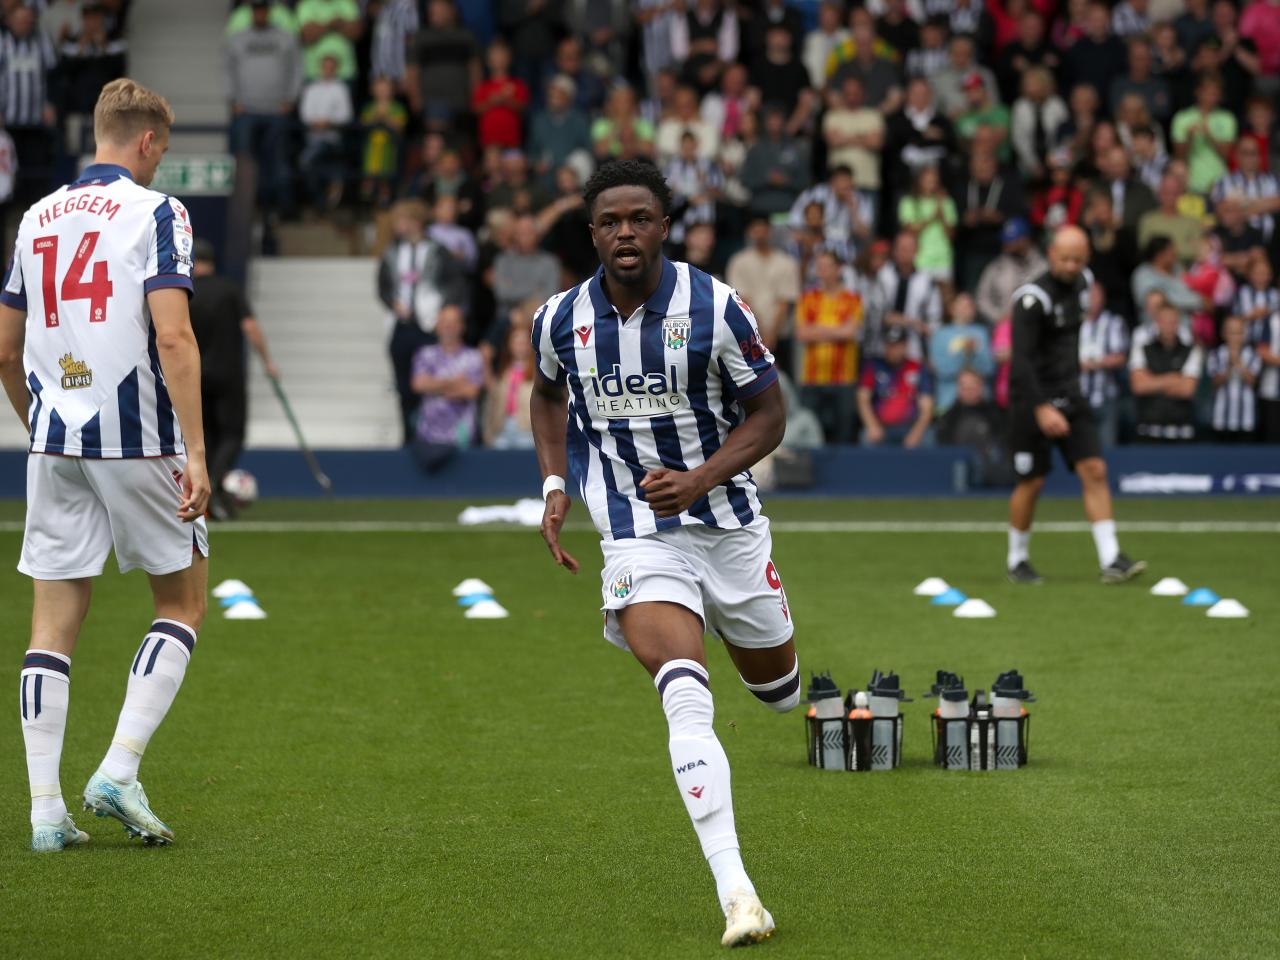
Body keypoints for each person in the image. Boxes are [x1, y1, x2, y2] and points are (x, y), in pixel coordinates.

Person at [530, 159, 792, 947]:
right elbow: (545, 393)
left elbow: (770, 414)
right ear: (592, 233)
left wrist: (702, 476)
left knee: (777, 691)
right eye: (610, 221)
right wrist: (554, 483)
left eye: (640, 218)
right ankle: (738, 891)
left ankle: (767, 669)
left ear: (664, 225)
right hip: (637, 535)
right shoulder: (558, 319)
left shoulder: (716, 305)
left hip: (732, 528)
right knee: (683, 691)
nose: (625, 233)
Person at [0, 79, 211, 851]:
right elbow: (175, 338)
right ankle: (118, 769)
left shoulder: (34, 216)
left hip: (54, 440)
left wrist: (41, 422)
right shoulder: (158, 211)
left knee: (51, 626)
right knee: (181, 604)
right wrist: (196, 450)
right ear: (149, 141)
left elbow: (4, 350)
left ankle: (44, 812)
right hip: (137, 437)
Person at [1006, 225, 1145, 585]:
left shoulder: (1084, 282)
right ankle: (1017, 559)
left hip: (1071, 393)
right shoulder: (1032, 299)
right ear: (1051, 254)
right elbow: (1019, 362)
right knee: (1032, 482)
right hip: (1031, 399)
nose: (1071, 265)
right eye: (1064, 258)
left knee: (1095, 469)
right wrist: (1041, 408)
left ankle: (1111, 558)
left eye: (1077, 259)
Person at [188, 240, 278, 520]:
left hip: (195, 375)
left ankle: (210, 496)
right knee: (232, 434)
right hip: (228, 373)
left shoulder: (185, 292)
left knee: (208, 436)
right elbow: (250, 327)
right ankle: (215, 483)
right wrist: (267, 362)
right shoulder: (229, 289)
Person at [376, 199, 467, 445]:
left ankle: (432, 433)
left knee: (431, 381)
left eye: (402, 221)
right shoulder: (392, 252)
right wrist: (392, 302)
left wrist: (444, 310)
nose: (398, 226)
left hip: (429, 326)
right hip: (402, 325)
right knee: (404, 385)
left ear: (415, 222)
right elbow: (383, 286)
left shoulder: (437, 251)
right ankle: (408, 435)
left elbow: (455, 283)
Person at [225, 0, 303, 217]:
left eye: (263, 9)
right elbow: (227, 69)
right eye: (256, 9)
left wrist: (291, 98)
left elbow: (297, 68)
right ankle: (243, 210)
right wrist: (233, 99)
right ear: (251, 12)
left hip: (277, 110)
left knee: (280, 162)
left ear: (268, 11)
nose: (259, 13)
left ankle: (282, 211)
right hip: (246, 110)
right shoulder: (238, 38)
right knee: (243, 163)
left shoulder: (285, 37)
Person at [795, 250, 862, 443]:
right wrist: (836, 330)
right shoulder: (807, 298)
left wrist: (816, 329)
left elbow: (849, 332)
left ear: (839, 269)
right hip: (812, 378)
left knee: (844, 435)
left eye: (827, 266)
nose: (821, 270)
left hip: (844, 379)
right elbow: (802, 334)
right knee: (812, 436)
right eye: (819, 266)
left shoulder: (853, 299)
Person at [409, 303, 484, 469]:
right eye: (444, 322)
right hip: (428, 437)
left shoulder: (473, 356)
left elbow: (471, 392)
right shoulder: (424, 354)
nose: (448, 327)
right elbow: (418, 384)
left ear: (462, 326)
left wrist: (435, 386)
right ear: (437, 326)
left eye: (453, 322)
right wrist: (455, 382)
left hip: (462, 438)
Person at [1129, 302, 1203, 443]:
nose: (1169, 326)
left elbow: (1188, 389)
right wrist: (1174, 378)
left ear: (1178, 323)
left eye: (1173, 322)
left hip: (1182, 433)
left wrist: (1152, 381)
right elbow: (1138, 386)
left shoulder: (1192, 350)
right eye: (1164, 321)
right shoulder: (1143, 348)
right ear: (1157, 322)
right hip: (1148, 432)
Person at [725, 214, 801, 352]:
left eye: (763, 229)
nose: (759, 234)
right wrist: (759, 332)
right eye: (755, 230)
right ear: (749, 232)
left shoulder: (787, 262)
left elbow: (785, 301)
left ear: (770, 232)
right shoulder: (738, 261)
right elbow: (742, 299)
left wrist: (772, 334)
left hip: (781, 336)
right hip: (748, 335)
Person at [856, 325, 935, 448]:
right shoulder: (873, 366)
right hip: (881, 426)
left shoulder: (917, 367)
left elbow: (927, 406)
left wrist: (916, 433)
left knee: (928, 437)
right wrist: (872, 425)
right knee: (866, 437)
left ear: (906, 346)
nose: (894, 350)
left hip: (910, 426)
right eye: (890, 345)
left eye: (898, 345)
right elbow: (862, 399)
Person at [1077, 282, 1129, 447]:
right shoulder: (1072, 322)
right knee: (1078, 449)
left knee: (1107, 449)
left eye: (1096, 295)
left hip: (1106, 395)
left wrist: (1095, 363)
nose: (1093, 300)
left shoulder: (1114, 322)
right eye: (1089, 295)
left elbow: (1121, 357)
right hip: (1077, 397)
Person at [929, 293, 995, 415]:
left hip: (980, 403)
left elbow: (989, 368)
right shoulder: (940, 334)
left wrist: (973, 353)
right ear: (952, 309)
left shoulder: (981, 332)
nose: (966, 309)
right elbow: (941, 370)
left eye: (969, 306)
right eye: (962, 305)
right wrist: (963, 354)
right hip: (949, 402)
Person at [976, 218, 1048, 327]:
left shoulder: (1043, 267)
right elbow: (982, 298)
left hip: (1036, 326)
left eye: (1011, 240)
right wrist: (999, 317)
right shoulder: (996, 267)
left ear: (1024, 240)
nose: (1005, 244)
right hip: (1002, 327)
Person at [1207, 315, 1262, 441]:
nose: (1235, 337)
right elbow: (1214, 383)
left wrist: (1238, 363)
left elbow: (1252, 381)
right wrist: (1228, 367)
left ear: (1244, 334)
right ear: (1223, 333)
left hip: (1246, 419)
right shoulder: (1215, 354)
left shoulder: (1252, 354)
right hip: (1221, 418)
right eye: (1231, 332)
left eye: (1238, 333)